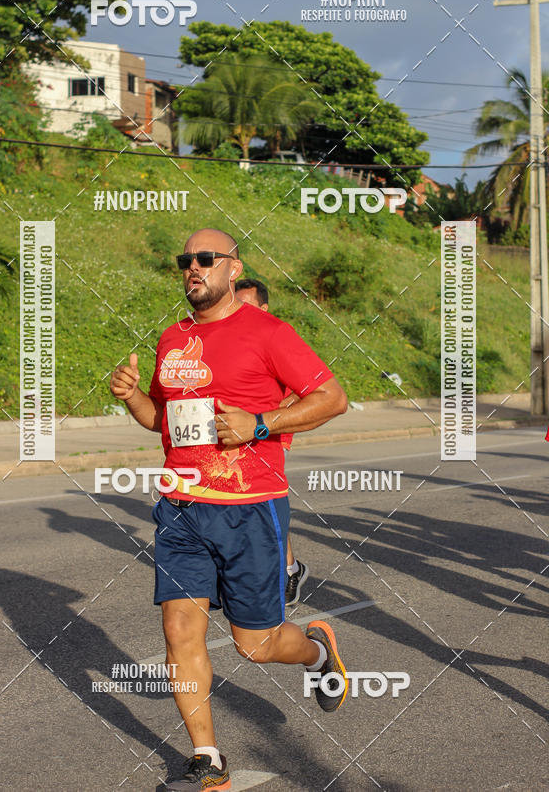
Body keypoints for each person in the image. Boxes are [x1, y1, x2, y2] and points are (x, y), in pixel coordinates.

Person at [110, 228, 348, 792]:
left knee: (257, 645)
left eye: (206, 259)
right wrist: (131, 397)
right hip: (181, 508)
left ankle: (317, 653)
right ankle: (207, 757)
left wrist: (260, 424)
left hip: (250, 508)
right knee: (178, 629)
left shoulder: (268, 332)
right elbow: (159, 420)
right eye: (186, 260)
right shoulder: (172, 340)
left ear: (233, 269)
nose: (194, 267)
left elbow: (331, 398)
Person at [234, 277, 309, 606]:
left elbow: (309, 391)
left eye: (247, 306)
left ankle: (288, 569)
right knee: (249, 500)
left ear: (264, 308)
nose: (240, 312)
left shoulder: (277, 335)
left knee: (263, 501)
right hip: (238, 432)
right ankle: (282, 567)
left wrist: (269, 420)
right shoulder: (232, 335)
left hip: (269, 431)